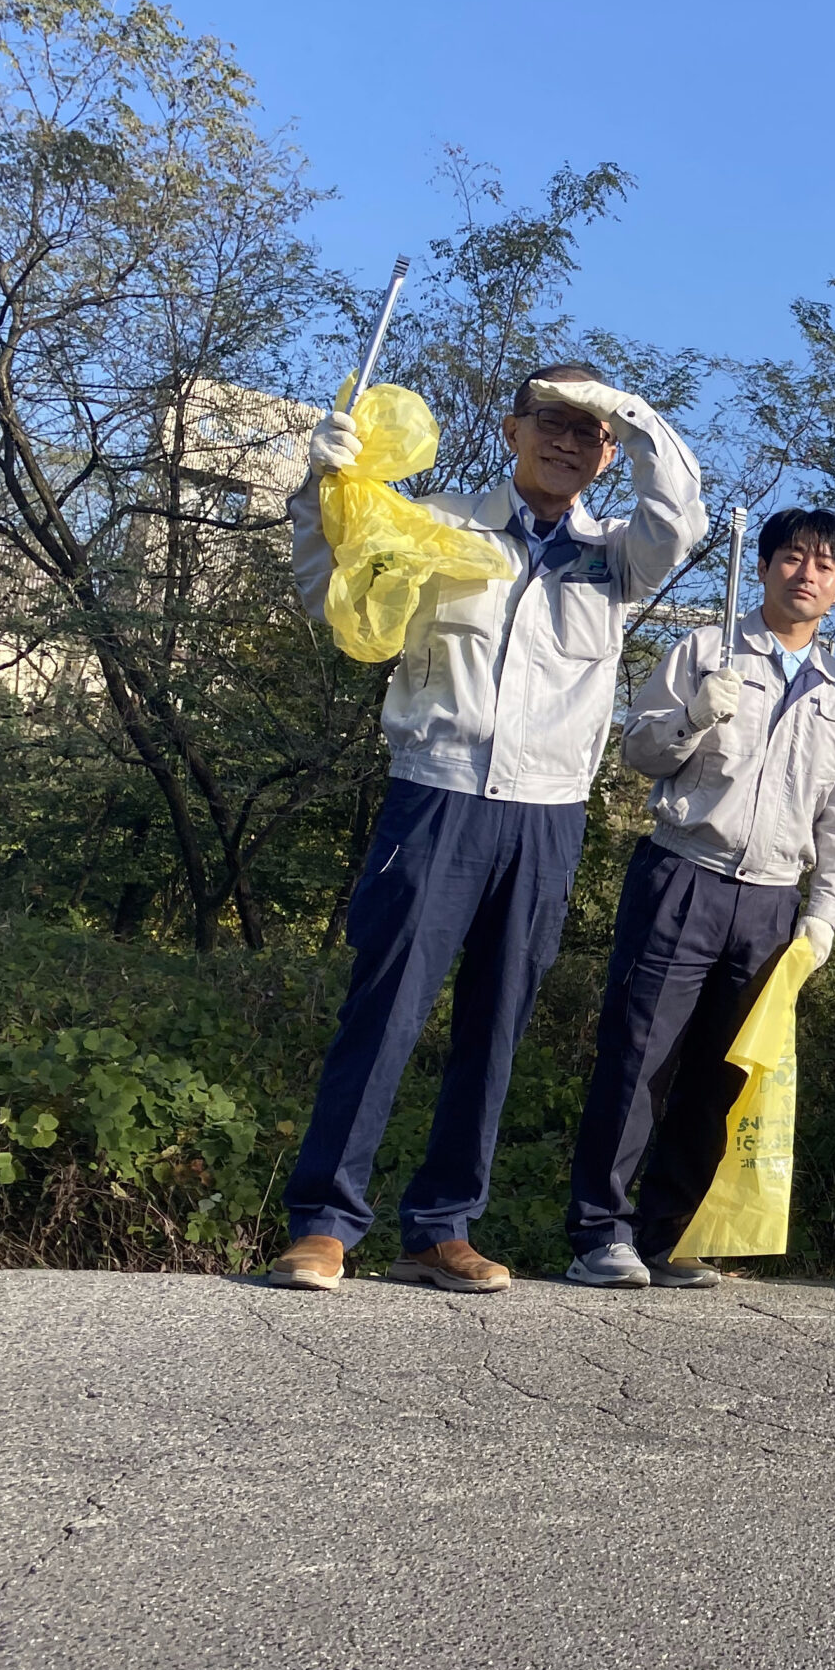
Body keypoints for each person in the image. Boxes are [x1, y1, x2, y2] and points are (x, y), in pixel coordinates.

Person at [269, 366, 707, 1292]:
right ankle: (326, 1223)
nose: (569, 442)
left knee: (496, 1022)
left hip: (547, 815)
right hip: (436, 793)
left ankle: (441, 1227)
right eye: (551, 422)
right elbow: (329, 596)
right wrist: (320, 493)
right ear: (512, 430)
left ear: (606, 452)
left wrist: (626, 409)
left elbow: (684, 517)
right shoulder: (441, 523)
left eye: (589, 433)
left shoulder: (615, 555)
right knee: (385, 1009)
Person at [561, 508, 835, 1288]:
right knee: (639, 1059)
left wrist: (824, 914)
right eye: (794, 558)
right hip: (682, 875)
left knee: (722, 1076)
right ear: (765, 566)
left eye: (826, 566)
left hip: (772, 904)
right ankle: (600, 1232)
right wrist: (695, 717)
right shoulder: (706, 651)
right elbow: (637, 750)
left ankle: (670, 1235)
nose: (808, 574)